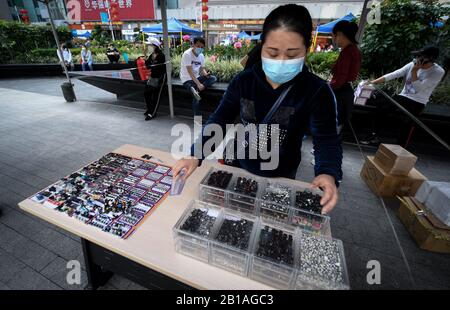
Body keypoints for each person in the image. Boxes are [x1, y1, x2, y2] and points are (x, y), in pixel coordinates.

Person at [173, 4, 343, 214]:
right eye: (272, 52)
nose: (281, 61)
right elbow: (220, 119)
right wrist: (195, 155)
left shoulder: (317, 91)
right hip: (240, 166)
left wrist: (328, 172)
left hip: (281, 173)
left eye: (291, 55)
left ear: (306, 49)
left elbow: (326, 139)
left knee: (271, 220)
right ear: (261, 48)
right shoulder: (244, 82)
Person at [362, 46, 445, 146]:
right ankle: (373, 135)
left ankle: (401, 147)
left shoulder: (438, 72)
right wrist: (372, 82)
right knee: (382, 107)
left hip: (418, 101)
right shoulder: (412, 64)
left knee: (408, 122)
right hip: (403, 97)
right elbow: (394, 74)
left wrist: (415, 72)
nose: (417, 59)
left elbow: (419, 88)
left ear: (430, 59)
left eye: (420, 57)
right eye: (417, 56)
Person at [330, 20, 361, 130]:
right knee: (335, 131)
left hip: (340, 94)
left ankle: (274, 147)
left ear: (340, 34)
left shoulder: (347, 52)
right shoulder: (354, 50)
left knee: (330, 130)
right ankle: (274, 146)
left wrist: (326, 88)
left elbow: (340, 78)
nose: (333, 39)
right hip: (344, 93)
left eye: (333, 36)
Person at [180, 37, 217, 119]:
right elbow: (190, 72)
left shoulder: (201, 55)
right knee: (196, 98)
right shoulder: (187, 54)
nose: (200, 48)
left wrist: (206, 74)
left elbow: (201, 69)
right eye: (198, 46)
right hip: (187, 79)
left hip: (197, 78)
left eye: (202, 47)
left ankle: (195, 90)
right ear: (193, 45)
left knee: (213, 78)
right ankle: (197, 120)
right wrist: (199, 84)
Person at [143, 41, 166, 121]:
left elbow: (160, 67)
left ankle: (152, 113)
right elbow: (148, 67)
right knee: (146, 93)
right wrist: (146, 57)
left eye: (150, 45)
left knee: (156, 96)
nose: (149, 47)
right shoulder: (151, 55)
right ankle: (149, 109)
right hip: (152, 77)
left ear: (155, 46)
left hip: (160, 77)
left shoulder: (161, 56)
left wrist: (154, 61)